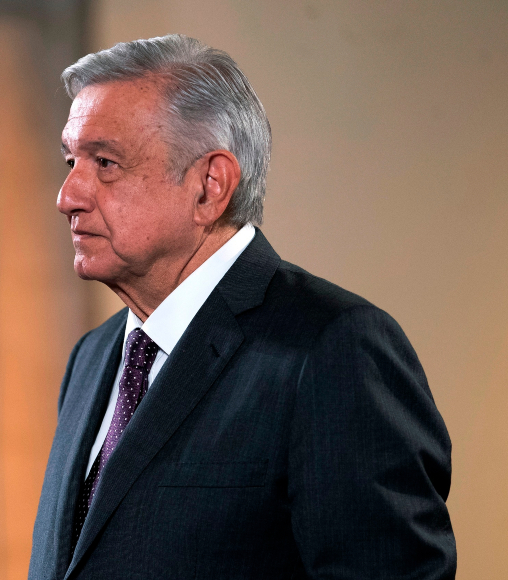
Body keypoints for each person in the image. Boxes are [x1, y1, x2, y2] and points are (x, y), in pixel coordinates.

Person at [28, 34, 455, 579]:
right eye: (71, 160)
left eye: (105, 163)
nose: (67, 196)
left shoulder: (333, 348)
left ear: (210, 186)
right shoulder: (92, 356)